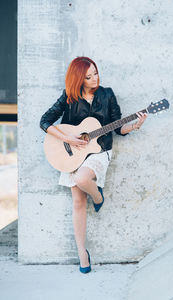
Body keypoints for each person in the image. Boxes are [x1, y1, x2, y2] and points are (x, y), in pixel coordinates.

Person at [40, 56, 147, 274]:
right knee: (78, 203)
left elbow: (118, 129)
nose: (94, 79)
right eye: (88, 76)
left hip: (99, 151)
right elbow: (44, 122)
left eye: (95, 73)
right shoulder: (69, 97)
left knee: (82, 180)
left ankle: (98, 197)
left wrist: (135, 125)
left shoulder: (107, 94)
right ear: (79, 78)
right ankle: (82, 253)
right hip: (72, 153)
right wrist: (68, 139)